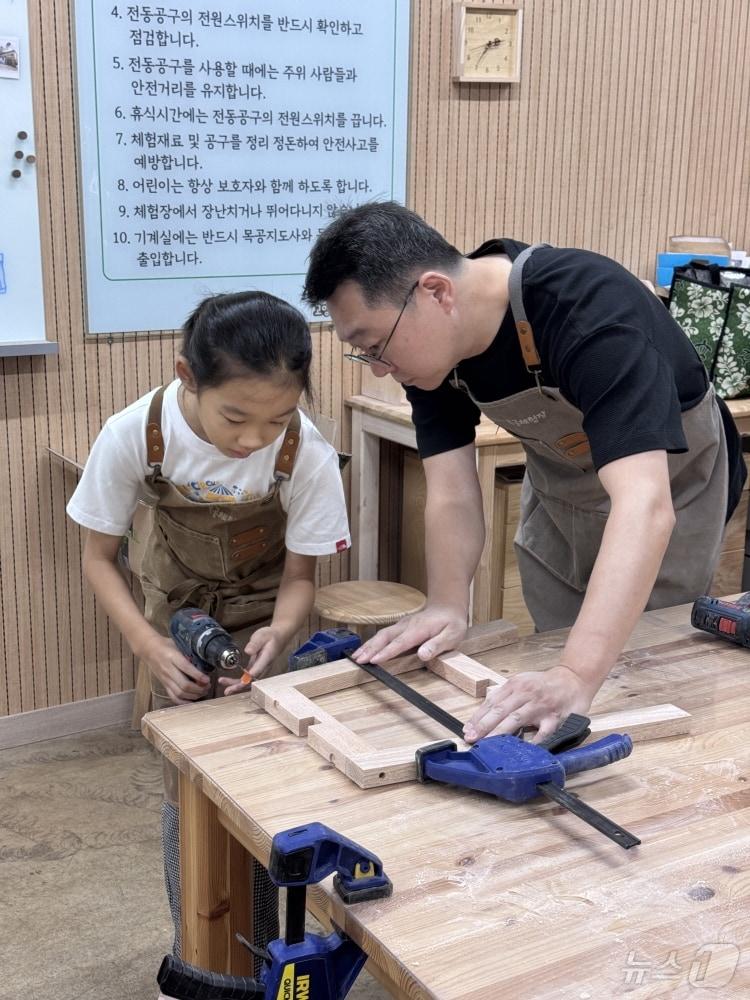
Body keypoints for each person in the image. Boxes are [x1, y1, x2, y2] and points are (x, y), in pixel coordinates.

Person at [303, 201, 746, 745]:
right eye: (363, 354)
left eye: (376, 345)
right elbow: (450, 491)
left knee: (641, 670)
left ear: (436, 292)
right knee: (550, 657)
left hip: (668, 485)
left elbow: (644, 505)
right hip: (565, 486)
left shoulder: (586, 308)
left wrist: (577, 674)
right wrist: (445, 602)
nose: (377, 367)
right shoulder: (433, 357)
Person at [67, 290, 350, 963]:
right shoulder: (138, 432)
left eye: (277, 417)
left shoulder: (303, 449)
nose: (253, 439)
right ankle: (195, 949)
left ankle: (268, 944)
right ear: (187, 377)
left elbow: (303, 577)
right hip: (175, 617)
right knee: (187, 785)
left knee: (268, 776)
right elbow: (99, 560)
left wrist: (279, 635)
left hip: (262, 615)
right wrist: (150, 646)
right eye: (235, 417)